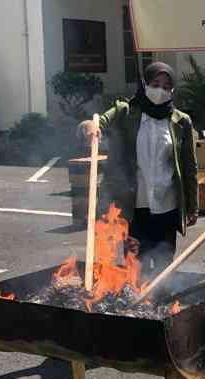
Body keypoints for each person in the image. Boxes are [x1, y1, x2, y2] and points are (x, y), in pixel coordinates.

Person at [79, 62, 198, 278]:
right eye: (156, 84)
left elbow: (190, 168)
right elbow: (100, 121)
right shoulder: (127, 112)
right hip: (134, 207)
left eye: (166, 86)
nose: (161, 90)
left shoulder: (181, 121)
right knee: (135, 267)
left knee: (163, 270)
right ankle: (135, 308)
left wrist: (193, 206)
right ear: (145, 84)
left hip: (167, 207)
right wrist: (89, 126)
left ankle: (161, 307)